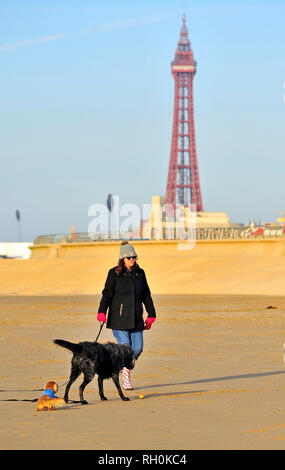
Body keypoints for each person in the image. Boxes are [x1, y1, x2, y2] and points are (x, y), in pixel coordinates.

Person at [97, 241, 156, 390]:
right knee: (126, 349)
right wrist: (102, 311)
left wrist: (151, 314)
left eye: (134, 257)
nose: (132, 260)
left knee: (137, 349)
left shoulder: (140, 273)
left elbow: (146, 294)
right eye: (129, 257)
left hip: (136, 318)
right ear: (122, 258)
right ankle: (125, 377)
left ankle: (122, 364)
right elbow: (107, 293)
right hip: (119, 319)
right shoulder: (114, 273)